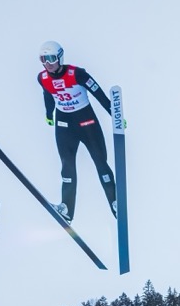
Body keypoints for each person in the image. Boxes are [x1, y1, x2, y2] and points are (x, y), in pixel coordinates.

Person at [36, 41, 118, 222]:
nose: (47, 63)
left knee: (100, 162)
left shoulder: (77, 74)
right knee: (66, 165)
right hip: (64, 124)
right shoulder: (42, 77)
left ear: (59, 57)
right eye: (43, 59)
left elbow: (98, 93)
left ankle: (115, 202)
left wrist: (114, 114)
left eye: (51, 58)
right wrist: (49, 114)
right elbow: (47, 95)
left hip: (86, 122)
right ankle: (66, 209)